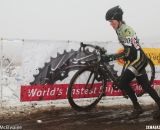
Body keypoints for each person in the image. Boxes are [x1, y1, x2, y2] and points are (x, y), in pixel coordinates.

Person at [103, 5, 160, 119]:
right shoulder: (119, 30)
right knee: (146, 86)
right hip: (136, 60)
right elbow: (127, 50)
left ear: (118, 19)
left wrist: (110, 57)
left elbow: (128, 52)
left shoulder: (126, 30)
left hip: (139, 60)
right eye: (109, 22)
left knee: (123, 83)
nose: (111, 24)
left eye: (112, 21)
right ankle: (143, 107)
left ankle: (137, 108)